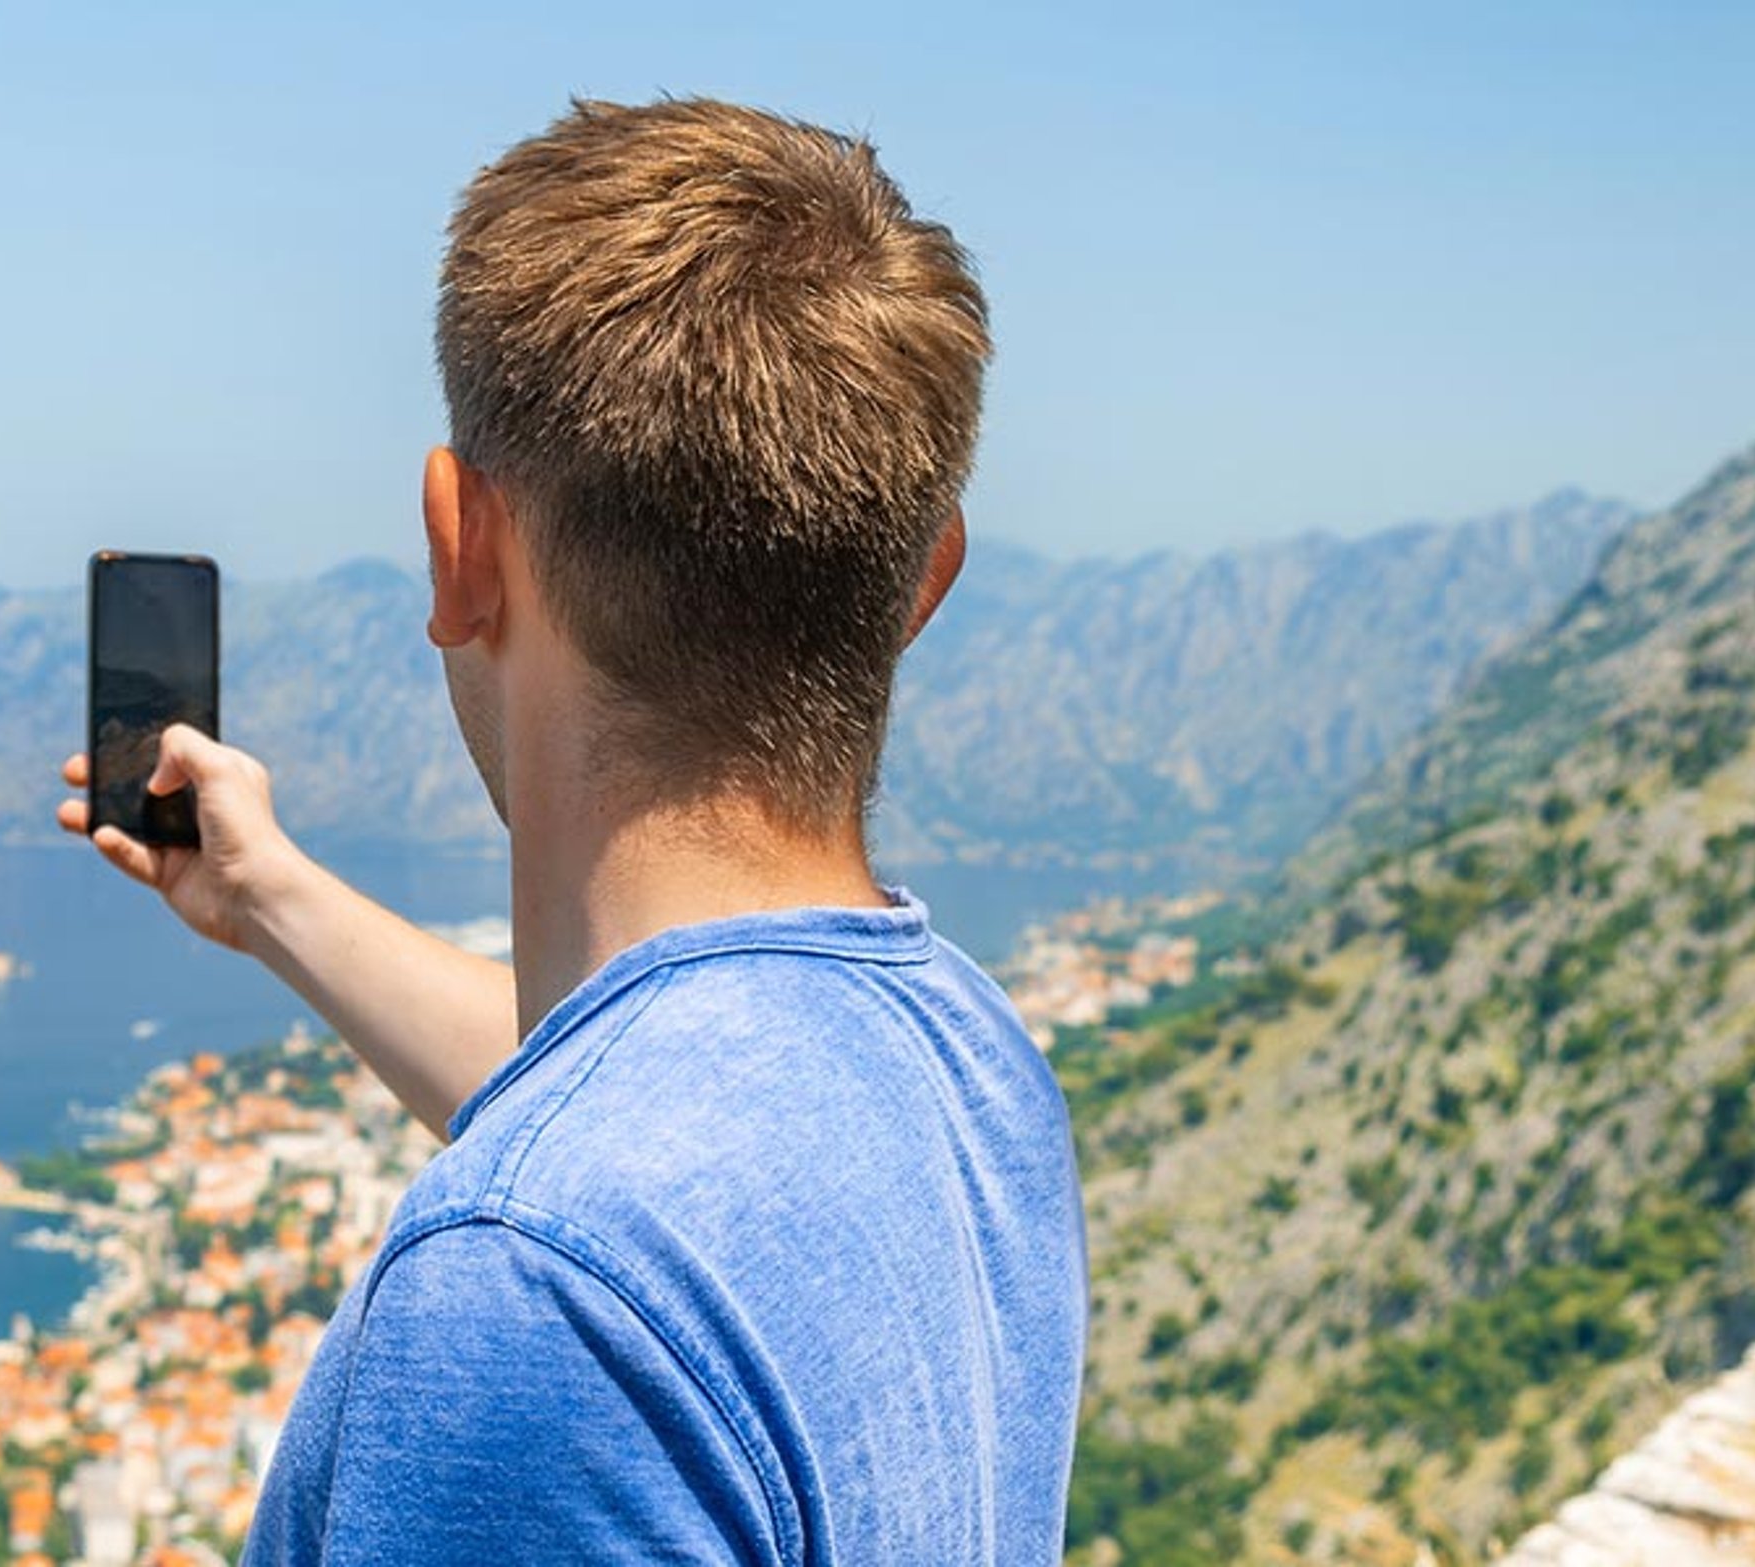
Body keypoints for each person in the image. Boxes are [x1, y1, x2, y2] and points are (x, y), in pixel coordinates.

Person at [55, 97, 1083, 1564]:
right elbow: (644, 1100)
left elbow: (601, 1177)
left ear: (458, 548)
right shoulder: (971, 1066)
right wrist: (270, 895)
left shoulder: (528, 1302)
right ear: (925, 581)